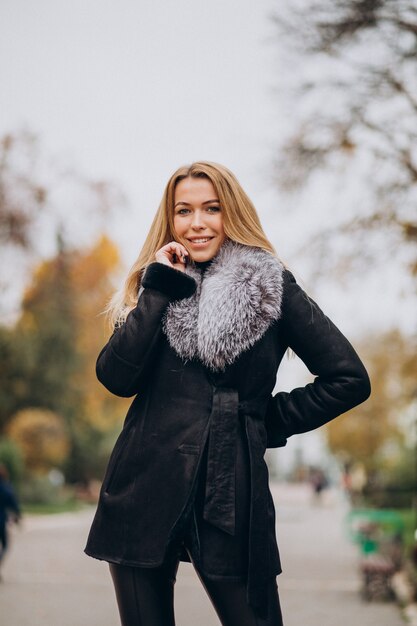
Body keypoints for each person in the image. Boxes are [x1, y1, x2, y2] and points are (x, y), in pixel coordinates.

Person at [85, 161, 371, 625]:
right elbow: (116, 377)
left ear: (231, 213)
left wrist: (257, 424)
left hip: (231, 493)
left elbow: (349, 379)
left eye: (211, 208)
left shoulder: (270, 285)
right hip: (142, 486)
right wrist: (158, 289)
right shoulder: (155, 285)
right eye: (184, 211)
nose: (196, 223)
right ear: (170, 220)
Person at [0, 463, 21, 581]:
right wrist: (18, 515)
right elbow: (13, 502)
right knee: (5, 545)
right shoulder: (5, 487)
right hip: (1, 521)